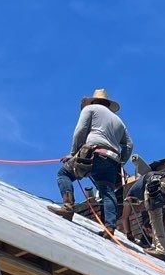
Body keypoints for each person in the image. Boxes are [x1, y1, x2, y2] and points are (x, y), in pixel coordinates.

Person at [49, 88, 133, 233]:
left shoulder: (90, 109)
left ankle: (68, 206)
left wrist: (74, 153)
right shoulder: (119, 121)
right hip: (112, 160)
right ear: (107, 103)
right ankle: (110, 227)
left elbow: (80, 130)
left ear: (93, 100)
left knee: (64, 174)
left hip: (94, 153)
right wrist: (120, 163)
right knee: (107, 191)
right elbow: (129, 145)